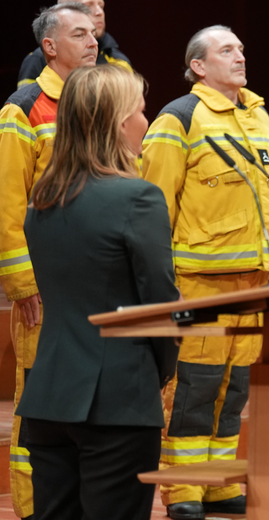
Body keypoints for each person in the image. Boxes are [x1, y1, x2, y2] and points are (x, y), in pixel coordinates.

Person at [20, 65, 179, 520]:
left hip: (48, 397)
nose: (146, 121)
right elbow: (160, 307)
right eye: (141, 111)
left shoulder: (41, 201)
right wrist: (158, 374)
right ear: (119, 123)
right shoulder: (138, 198)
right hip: (119, 400)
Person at [141, 26, 269, 520]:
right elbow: (154, 208)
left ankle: (218, 485)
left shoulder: (258, 115)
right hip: (200, 283)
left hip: (254, 281)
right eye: (227, 50)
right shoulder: (177, 118)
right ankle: (184, 488)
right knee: (193, 388)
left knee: (234, 388)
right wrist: (163, 285)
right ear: (198, 66)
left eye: (241, 48)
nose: (240, 56)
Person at [0, 3, 98, 519]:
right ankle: (35, 508)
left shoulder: (97, 100)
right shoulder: (24, 108)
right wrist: (22, 284)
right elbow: (8, 204)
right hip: (46, 286)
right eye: (79, 34)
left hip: (94, 281)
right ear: (50, 47)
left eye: (94, 33)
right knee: (40, 397)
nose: (93, 41)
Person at [17, 0, 132, 88]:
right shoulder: (37, 60)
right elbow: (29, 100)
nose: (99, 12)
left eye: (101, 6)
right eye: (88, 6)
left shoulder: (119, 60)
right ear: (64, 11)